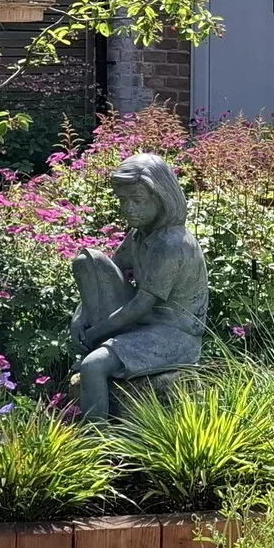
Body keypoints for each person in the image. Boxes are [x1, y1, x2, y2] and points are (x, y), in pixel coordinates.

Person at [71, 153, 209, 419]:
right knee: (88, 260)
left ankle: (95, 443)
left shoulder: (171, 243)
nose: (128, 209)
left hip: (175, 335)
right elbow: (107, 271)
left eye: (137, 200)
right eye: (123, 200)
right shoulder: (139, 234)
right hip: (145, 324)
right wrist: (80, 315)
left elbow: (141, 304)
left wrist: (95, 332)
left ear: (161, 199)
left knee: (92, 367)